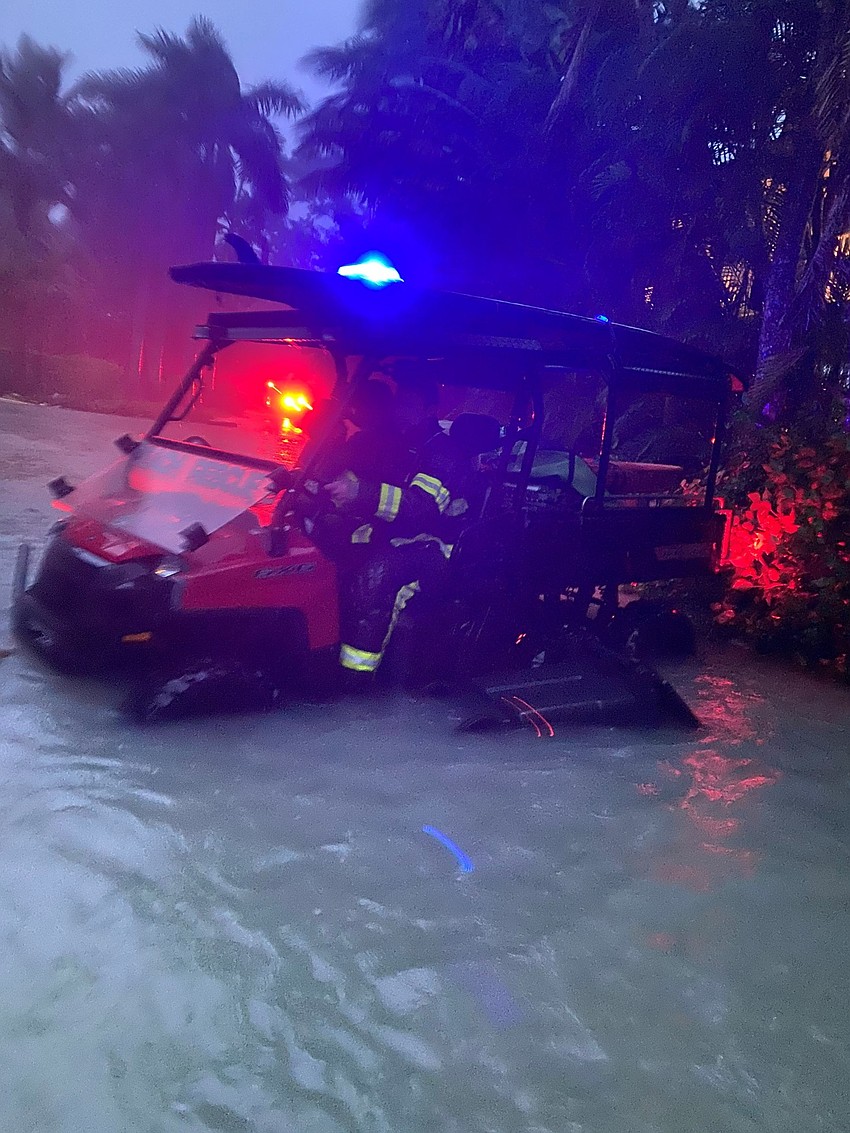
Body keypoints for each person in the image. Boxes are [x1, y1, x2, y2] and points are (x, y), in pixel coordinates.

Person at [324, 376, 486, 685]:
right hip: (399, 536)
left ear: (429, 409)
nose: (399, 408)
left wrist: (361, 493)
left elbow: (421, 508)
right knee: (325, 545)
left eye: (408, 403)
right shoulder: (394, 441)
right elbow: (349, 467)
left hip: (439, 547)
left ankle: (354, 680)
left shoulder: (443, 454)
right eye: (399, 401)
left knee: (380, 572)